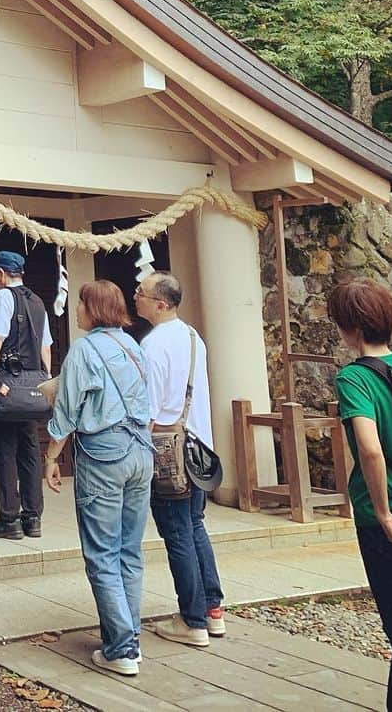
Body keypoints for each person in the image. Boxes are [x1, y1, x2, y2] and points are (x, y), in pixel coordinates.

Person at [44, 280, 153, 678]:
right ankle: (129, 640)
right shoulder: (134, 347)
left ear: (93, 309)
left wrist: (52, 456)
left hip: (104, 452)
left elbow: (67, 411)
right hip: (141, 450)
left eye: (80, 305)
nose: (76, 312)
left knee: (102, 552)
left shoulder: (85, 349)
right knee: (129, 551)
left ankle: (121, 647)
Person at [328, 277, 392, 712]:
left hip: (388, 519)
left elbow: (369, 448)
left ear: (352, 328)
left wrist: (384, 512)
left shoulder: (354, 378)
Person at [134, 271, 225, 647]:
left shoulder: (153, 345)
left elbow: (150, 408)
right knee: (195, 525)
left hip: (169, 449)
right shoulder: (192, 337)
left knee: (177, 533)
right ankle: (212, 609)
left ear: (160, 303)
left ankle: (192, 620)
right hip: (199, 445)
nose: (134, 296)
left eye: (140, 292)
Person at [0, 250, 51, 539]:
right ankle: (33, 517)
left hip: (8, 385)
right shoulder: (37, 302)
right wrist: (44, 380)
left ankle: (9, 519)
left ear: (1, 273)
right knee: (30, 449)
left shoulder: (3, 298)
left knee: (5, 449)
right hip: (33, 386)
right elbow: (46, 347)